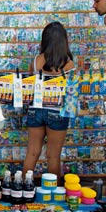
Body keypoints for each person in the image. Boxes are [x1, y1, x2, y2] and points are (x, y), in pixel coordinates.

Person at [23, 22, 75, 179]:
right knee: (53, 156)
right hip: (58, 111)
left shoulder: (36, 60)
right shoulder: (68, 64)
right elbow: (71, 93)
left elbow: (28, 85)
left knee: (32, 153)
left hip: (35, 110)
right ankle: (53, 194)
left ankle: (25, 188)